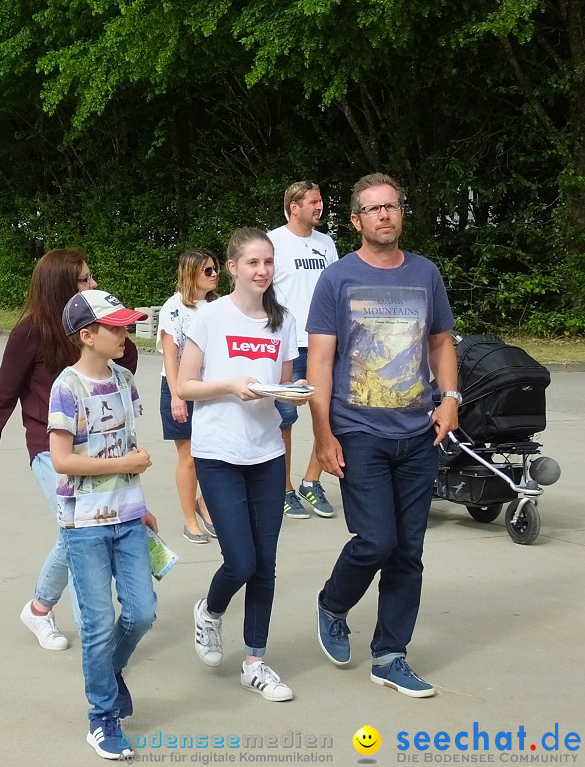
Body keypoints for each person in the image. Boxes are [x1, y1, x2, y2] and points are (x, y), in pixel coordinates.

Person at [309, 173, 459, 698]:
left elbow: (441, 343)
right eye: (373, 209)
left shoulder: (425, 274)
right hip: (359, 430)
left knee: (409, 550)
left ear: (400, 214)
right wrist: (322, 433)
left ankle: (390, 655)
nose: (384, 215)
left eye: (392, 207)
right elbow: (321, 361)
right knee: (376, 539)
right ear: (356, 220)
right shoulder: (337, 279)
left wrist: (450, 399)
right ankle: (333, 602)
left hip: (418, 431)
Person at [0, 250, 139, 653]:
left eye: (92, 278)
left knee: (75, 532)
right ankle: (98, 634)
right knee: (79, 530)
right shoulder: (29, 334)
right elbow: (2, 396)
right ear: (61, 287)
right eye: (84, 281)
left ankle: (39, 608)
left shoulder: (94, 331)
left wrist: (113, 327)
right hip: (48, 449)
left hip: (98, 448)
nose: (93, 286)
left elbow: (126, 366)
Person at [177, 227, 303, 704]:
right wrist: (230, 385)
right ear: (232, 268)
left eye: (268, 262)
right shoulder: (210, 317)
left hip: (267, 452)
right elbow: (186, 386)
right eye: (253, 262)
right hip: (219, 453)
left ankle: (255, 661)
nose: (263, 270)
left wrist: (293, 394)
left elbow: (284, 384)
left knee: (266, 564)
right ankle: (209, 611)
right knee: (241, 561)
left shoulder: (283, 320)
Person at [48, 289, 157, 761]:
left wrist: (141, 501)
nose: (124, 334)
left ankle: (108, 674)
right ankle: (102, 717)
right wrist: (125, 465)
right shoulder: (66, 388)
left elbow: (127, 443)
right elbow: (61, 459)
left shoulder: (126, 378)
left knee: (142, 612)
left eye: (126, 325)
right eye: (115, 328)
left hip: (129, 515)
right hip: (84, 524)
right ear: (87, 336)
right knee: (97, 624)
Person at [269, 181, 340, 520]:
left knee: (328, 414)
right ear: (294, 206)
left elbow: (337, 289)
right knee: (283, 420)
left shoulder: (326, 244)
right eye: (313, 201)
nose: (320, 206)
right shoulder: (273, 242)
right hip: (287, 345)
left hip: (324, 343)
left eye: (321, 201)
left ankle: (312, 481)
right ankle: (283, 490)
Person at [158, 249, 221, 544]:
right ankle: (189, 519)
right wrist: (176, 395)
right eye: (207, 270)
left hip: (210, 387)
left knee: (213, 453)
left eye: (215, 269)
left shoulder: (219, 307)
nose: (214, 275)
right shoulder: (174, 308)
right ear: (190, 273)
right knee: (189, 458)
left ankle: (206, 504)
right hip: (179, 387)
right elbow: (171, 357)